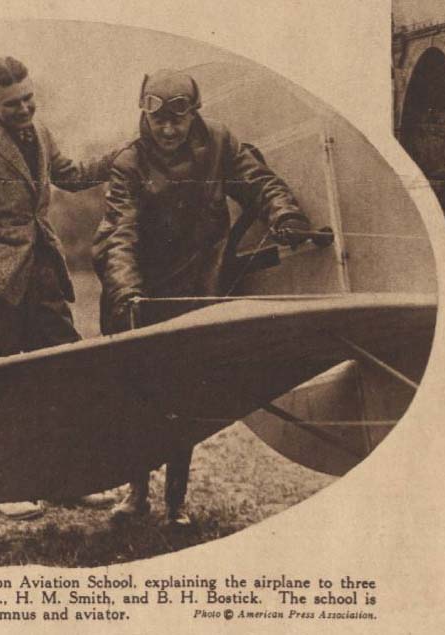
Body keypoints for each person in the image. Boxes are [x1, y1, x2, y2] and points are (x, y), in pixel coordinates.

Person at [92, 69, 310, 525]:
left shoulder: (221, 145)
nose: (169, 131)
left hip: (199, 290)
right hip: (139, 297)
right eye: (159, 122)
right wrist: (128, 293)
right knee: (137, 396)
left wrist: (284, 213)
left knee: (186, 397)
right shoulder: (128, 164)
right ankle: (136, 494)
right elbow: (118, 236)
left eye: (180, 119)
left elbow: (260, 182)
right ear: (144, 116)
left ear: (195, 113)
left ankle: (176, 504)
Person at [0, 56, 115, 520]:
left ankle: (65, 483)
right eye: (13, 103)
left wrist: (123, 157)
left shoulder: (42, 135)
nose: (25, 109)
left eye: (30, 98)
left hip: (43, 277)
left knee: (63, 374)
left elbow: (72, 176)